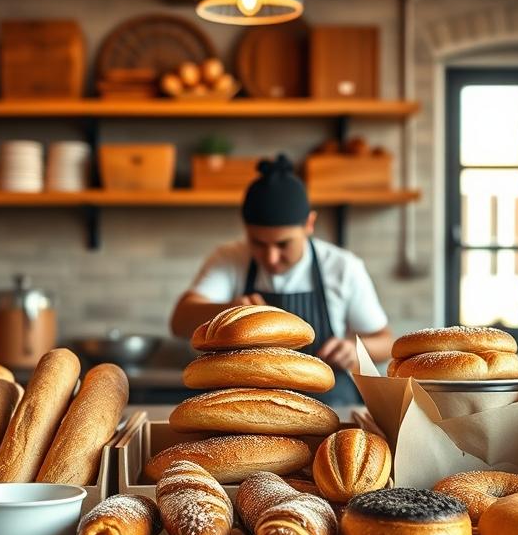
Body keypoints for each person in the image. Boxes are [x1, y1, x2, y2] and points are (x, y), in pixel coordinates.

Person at [169, 154, 394, 404]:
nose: (271, 257)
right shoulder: (229, 258)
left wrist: (355, 350)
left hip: (329, 401)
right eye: (258, 243)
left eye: (283, 244)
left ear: (309, 224)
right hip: (249, 401)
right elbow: (179, 321)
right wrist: (231, 312)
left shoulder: (343, 267)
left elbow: (386, 342)